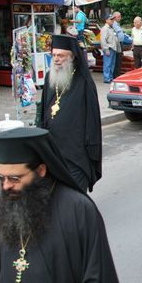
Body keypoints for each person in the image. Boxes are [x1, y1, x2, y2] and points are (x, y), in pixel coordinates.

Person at [0, 128, 128, 283]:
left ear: (41, 171)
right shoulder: (5, 210)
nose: (6, 186)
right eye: (1, 178)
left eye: (15, 178)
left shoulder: (79, 210)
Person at [39, 35, 102, 192]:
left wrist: (90, 150)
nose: (56, 59)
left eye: (61, 55)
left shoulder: (84, 82)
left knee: (74, 196)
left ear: (72, 56)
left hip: (76, 155)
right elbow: (43, 111)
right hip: (53, 152)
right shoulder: (49, 78)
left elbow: (92, 120)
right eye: (53, 55)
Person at [100, 15, 119, 83]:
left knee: (112, 64)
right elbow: (103, 40)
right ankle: (107, 78)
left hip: (113, 48)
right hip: (109, 49)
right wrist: (106, 49)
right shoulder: (105, 29)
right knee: (107, 64)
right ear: (106, 20)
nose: (112, 21)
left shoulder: (111, 28)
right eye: (111, 20)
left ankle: (110, 77)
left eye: (113, 20)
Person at [111, 11, 131, 77]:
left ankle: (117, 73)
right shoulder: (113, 24)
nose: (120, 18)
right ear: (115, 17)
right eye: (119, 16)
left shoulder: (117, 24)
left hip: (120, 43)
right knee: (117, 59)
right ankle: (116, 74)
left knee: (119, 59)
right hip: (117, 43)